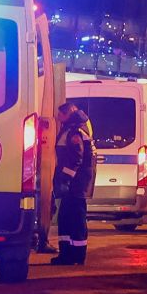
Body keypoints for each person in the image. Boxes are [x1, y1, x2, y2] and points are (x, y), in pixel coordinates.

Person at [52, 102, 94, 265]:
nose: (58, 117)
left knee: (74, 219)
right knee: (67, 217)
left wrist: (66, 180)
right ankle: (68, 255)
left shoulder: (75, 131)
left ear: (68, 114)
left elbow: (76, 159)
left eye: (60, 114)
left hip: (76, 184)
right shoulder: (74, 128)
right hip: (75, 183)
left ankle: (75, 255)